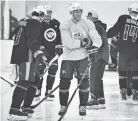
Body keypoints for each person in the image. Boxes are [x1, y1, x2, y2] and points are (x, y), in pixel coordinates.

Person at [58, 3, 102, 116]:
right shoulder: (65, 24)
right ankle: (63, 105)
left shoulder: (87, 23)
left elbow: (95, 36)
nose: (78, 14)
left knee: (83, 83)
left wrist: (95, 46)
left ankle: (82, 106)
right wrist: (82, 43)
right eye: (76, 12)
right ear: (71, 13)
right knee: (64, 82)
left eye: (80, 11)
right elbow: (68, 43)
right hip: (68, 58)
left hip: (82, 58)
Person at [8, 5, 48, 121]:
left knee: (35, 79)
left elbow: (14, 36)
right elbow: (32, 41)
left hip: (20, 55)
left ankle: (26, 107)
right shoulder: (35, 23)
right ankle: (14, 109)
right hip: (27, 56)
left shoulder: (23, 22)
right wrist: (39, 53)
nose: (43, 19)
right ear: (40, 15)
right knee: (24, 81)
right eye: (43, 16)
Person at [107, 3, 138, 103]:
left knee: (122, 73)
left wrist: (105, 35)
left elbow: (114, 31)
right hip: (135, 52)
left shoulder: (123, 18)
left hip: (123, 51)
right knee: (135, 74)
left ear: (130, 10)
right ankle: (136, 94)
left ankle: (123, 94)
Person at [34, 5, 62, 100]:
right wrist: (38, 48)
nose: (48, 15)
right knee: (40, 71)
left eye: (49, 12)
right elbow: (35, 38)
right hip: (42, 52)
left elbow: (60, 37)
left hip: (53, 52)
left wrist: (60, 46)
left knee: (53, 71)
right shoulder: (38, 23)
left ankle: (48, 90)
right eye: (46, 13)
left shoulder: (56, 23)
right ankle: (37, 90)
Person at [86, 10, 109, 109]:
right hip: (102, 56)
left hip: (98, 56)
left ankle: (93, 98)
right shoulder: (99, 26)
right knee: (98, 77)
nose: (87, 19)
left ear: (93, 18)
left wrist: (92, 52)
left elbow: (98, 41)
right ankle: (100, 98)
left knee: (94, 77)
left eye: (89, 17)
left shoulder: (95, 26)